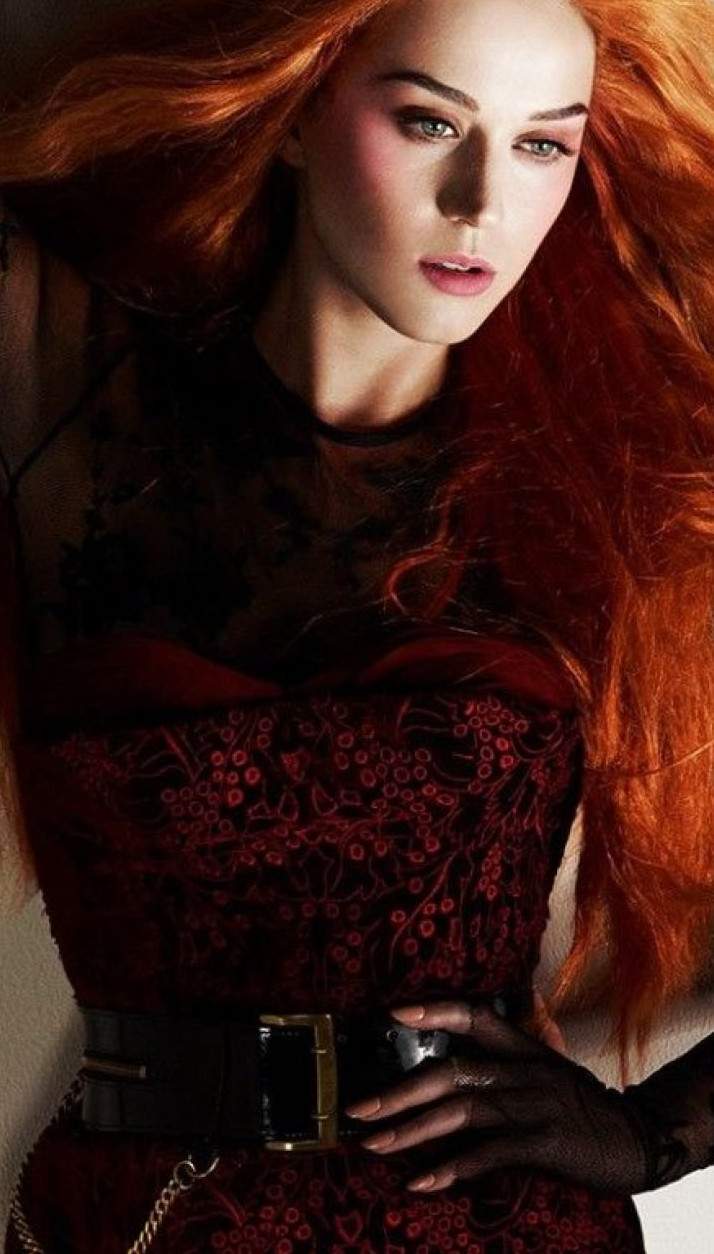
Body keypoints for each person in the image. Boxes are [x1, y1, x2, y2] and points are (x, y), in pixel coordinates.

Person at [0, 0, 713, 1249]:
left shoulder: (623, 486)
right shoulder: (57, 373)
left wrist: (651, 1138)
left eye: (543, 143)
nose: (482, 202)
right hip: (137, 1219)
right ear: (291, 109)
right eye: (430, 121)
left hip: (490, 1228)